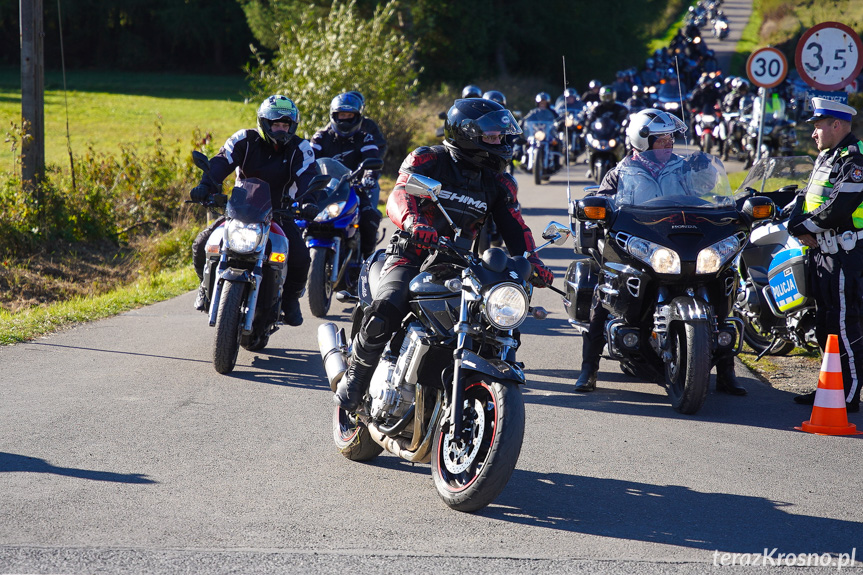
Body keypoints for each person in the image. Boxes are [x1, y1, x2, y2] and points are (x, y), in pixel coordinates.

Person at [333, 98, 555, 411]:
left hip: (460, 264)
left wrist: (532, 261)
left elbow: (515, 228)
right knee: (388, 307)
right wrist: (415, 222)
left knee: (498, 320)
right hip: (411, 253)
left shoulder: (499, 182)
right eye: (492, 136)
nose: (501, 142)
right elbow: (399, 194)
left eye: (502, 136)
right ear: (467, 134)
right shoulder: (429, 159)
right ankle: (355, 379)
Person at [574, 108, 747, 395]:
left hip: (679, 242)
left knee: (720, 288)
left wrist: (707, 173)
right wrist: (599, 207)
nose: (668, 144)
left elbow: (709, 192)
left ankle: (726, 371)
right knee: (603, 296)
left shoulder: (681, 167)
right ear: (642, 141)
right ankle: (588, 369)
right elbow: (601, 202)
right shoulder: (619, 173)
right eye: (661, 139)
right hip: (641, 246)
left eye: (670, 138)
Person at [189, 94, 318, 327]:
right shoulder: (245, 139)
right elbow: (221, 162)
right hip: (241, 211)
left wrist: (310, 202)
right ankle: (204, 288)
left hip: (280, 214)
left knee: (300, 256)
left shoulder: (301, 148)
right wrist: (204, 186)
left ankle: (289, 300)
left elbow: (309, 176)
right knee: (202, 244)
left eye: (285, 124)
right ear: (264, 123)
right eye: (275, 124)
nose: (281, 129)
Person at [787, 98, 863, 414]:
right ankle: (829, 386)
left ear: (836, 125)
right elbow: (811, 198)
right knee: (825, 324)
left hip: (846, 254)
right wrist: (794, 221)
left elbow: (838, 207)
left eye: (818, 126)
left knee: (846, 325)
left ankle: (849, 395)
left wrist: (802, 226)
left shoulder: (854, 160)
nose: (814, 133)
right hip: (823, 253)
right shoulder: (828, 156)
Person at [311, 92, 383, 260]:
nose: (344, 119)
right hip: (324, 189)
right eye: (341, 115)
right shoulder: (321, 137)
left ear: (357, 116)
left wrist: (369, 176)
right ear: (333, 115)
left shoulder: (365, 138)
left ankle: (367, 261)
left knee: (369, 218)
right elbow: (309, 161)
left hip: (355, 189)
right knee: (298, 218)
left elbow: (372, 159)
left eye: (349, 115)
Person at [346, 90, 388, 208]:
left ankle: (371, 209)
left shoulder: (369, 125)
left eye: (351, 113)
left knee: (373, 187)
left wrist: (371, 166)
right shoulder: (328, 131)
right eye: (343, 113)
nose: (345, 118)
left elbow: (381, 145)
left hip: (364, 171)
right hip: (340, 174)